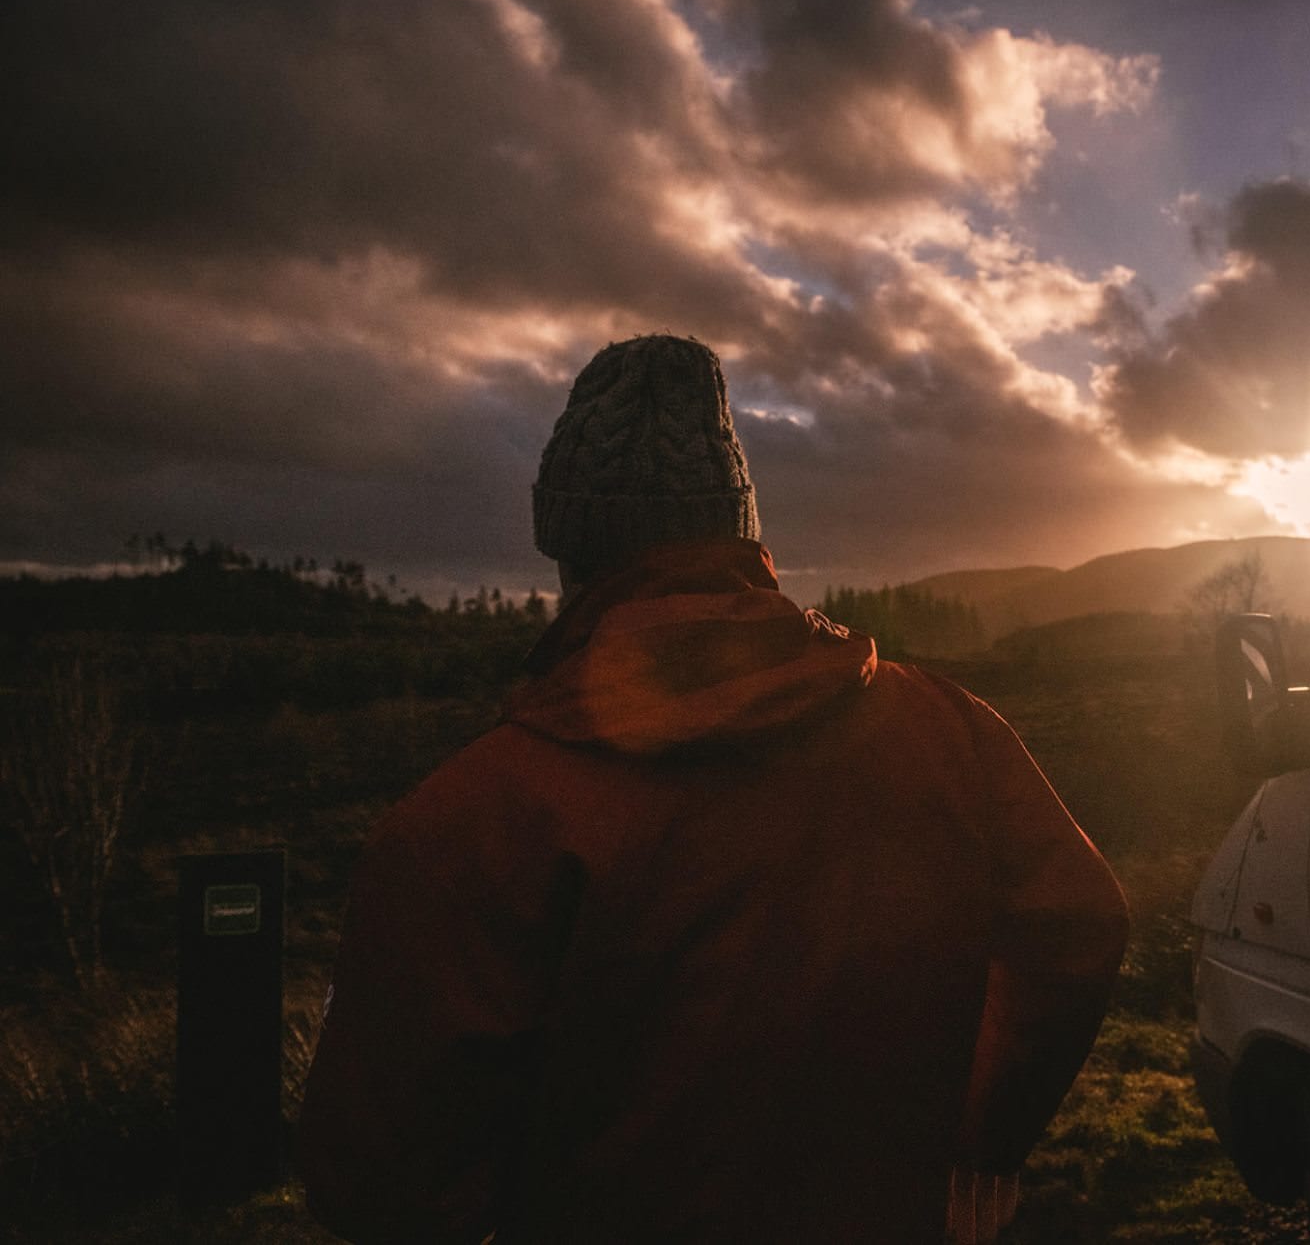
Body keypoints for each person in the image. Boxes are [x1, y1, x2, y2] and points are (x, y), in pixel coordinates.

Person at [296, 334, 1128, 1243]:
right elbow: (1081, 923)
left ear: (570, 556)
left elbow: (380, 1179)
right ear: (741, 535)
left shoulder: (473, 818)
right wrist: (981, 1143)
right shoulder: (951, 731)